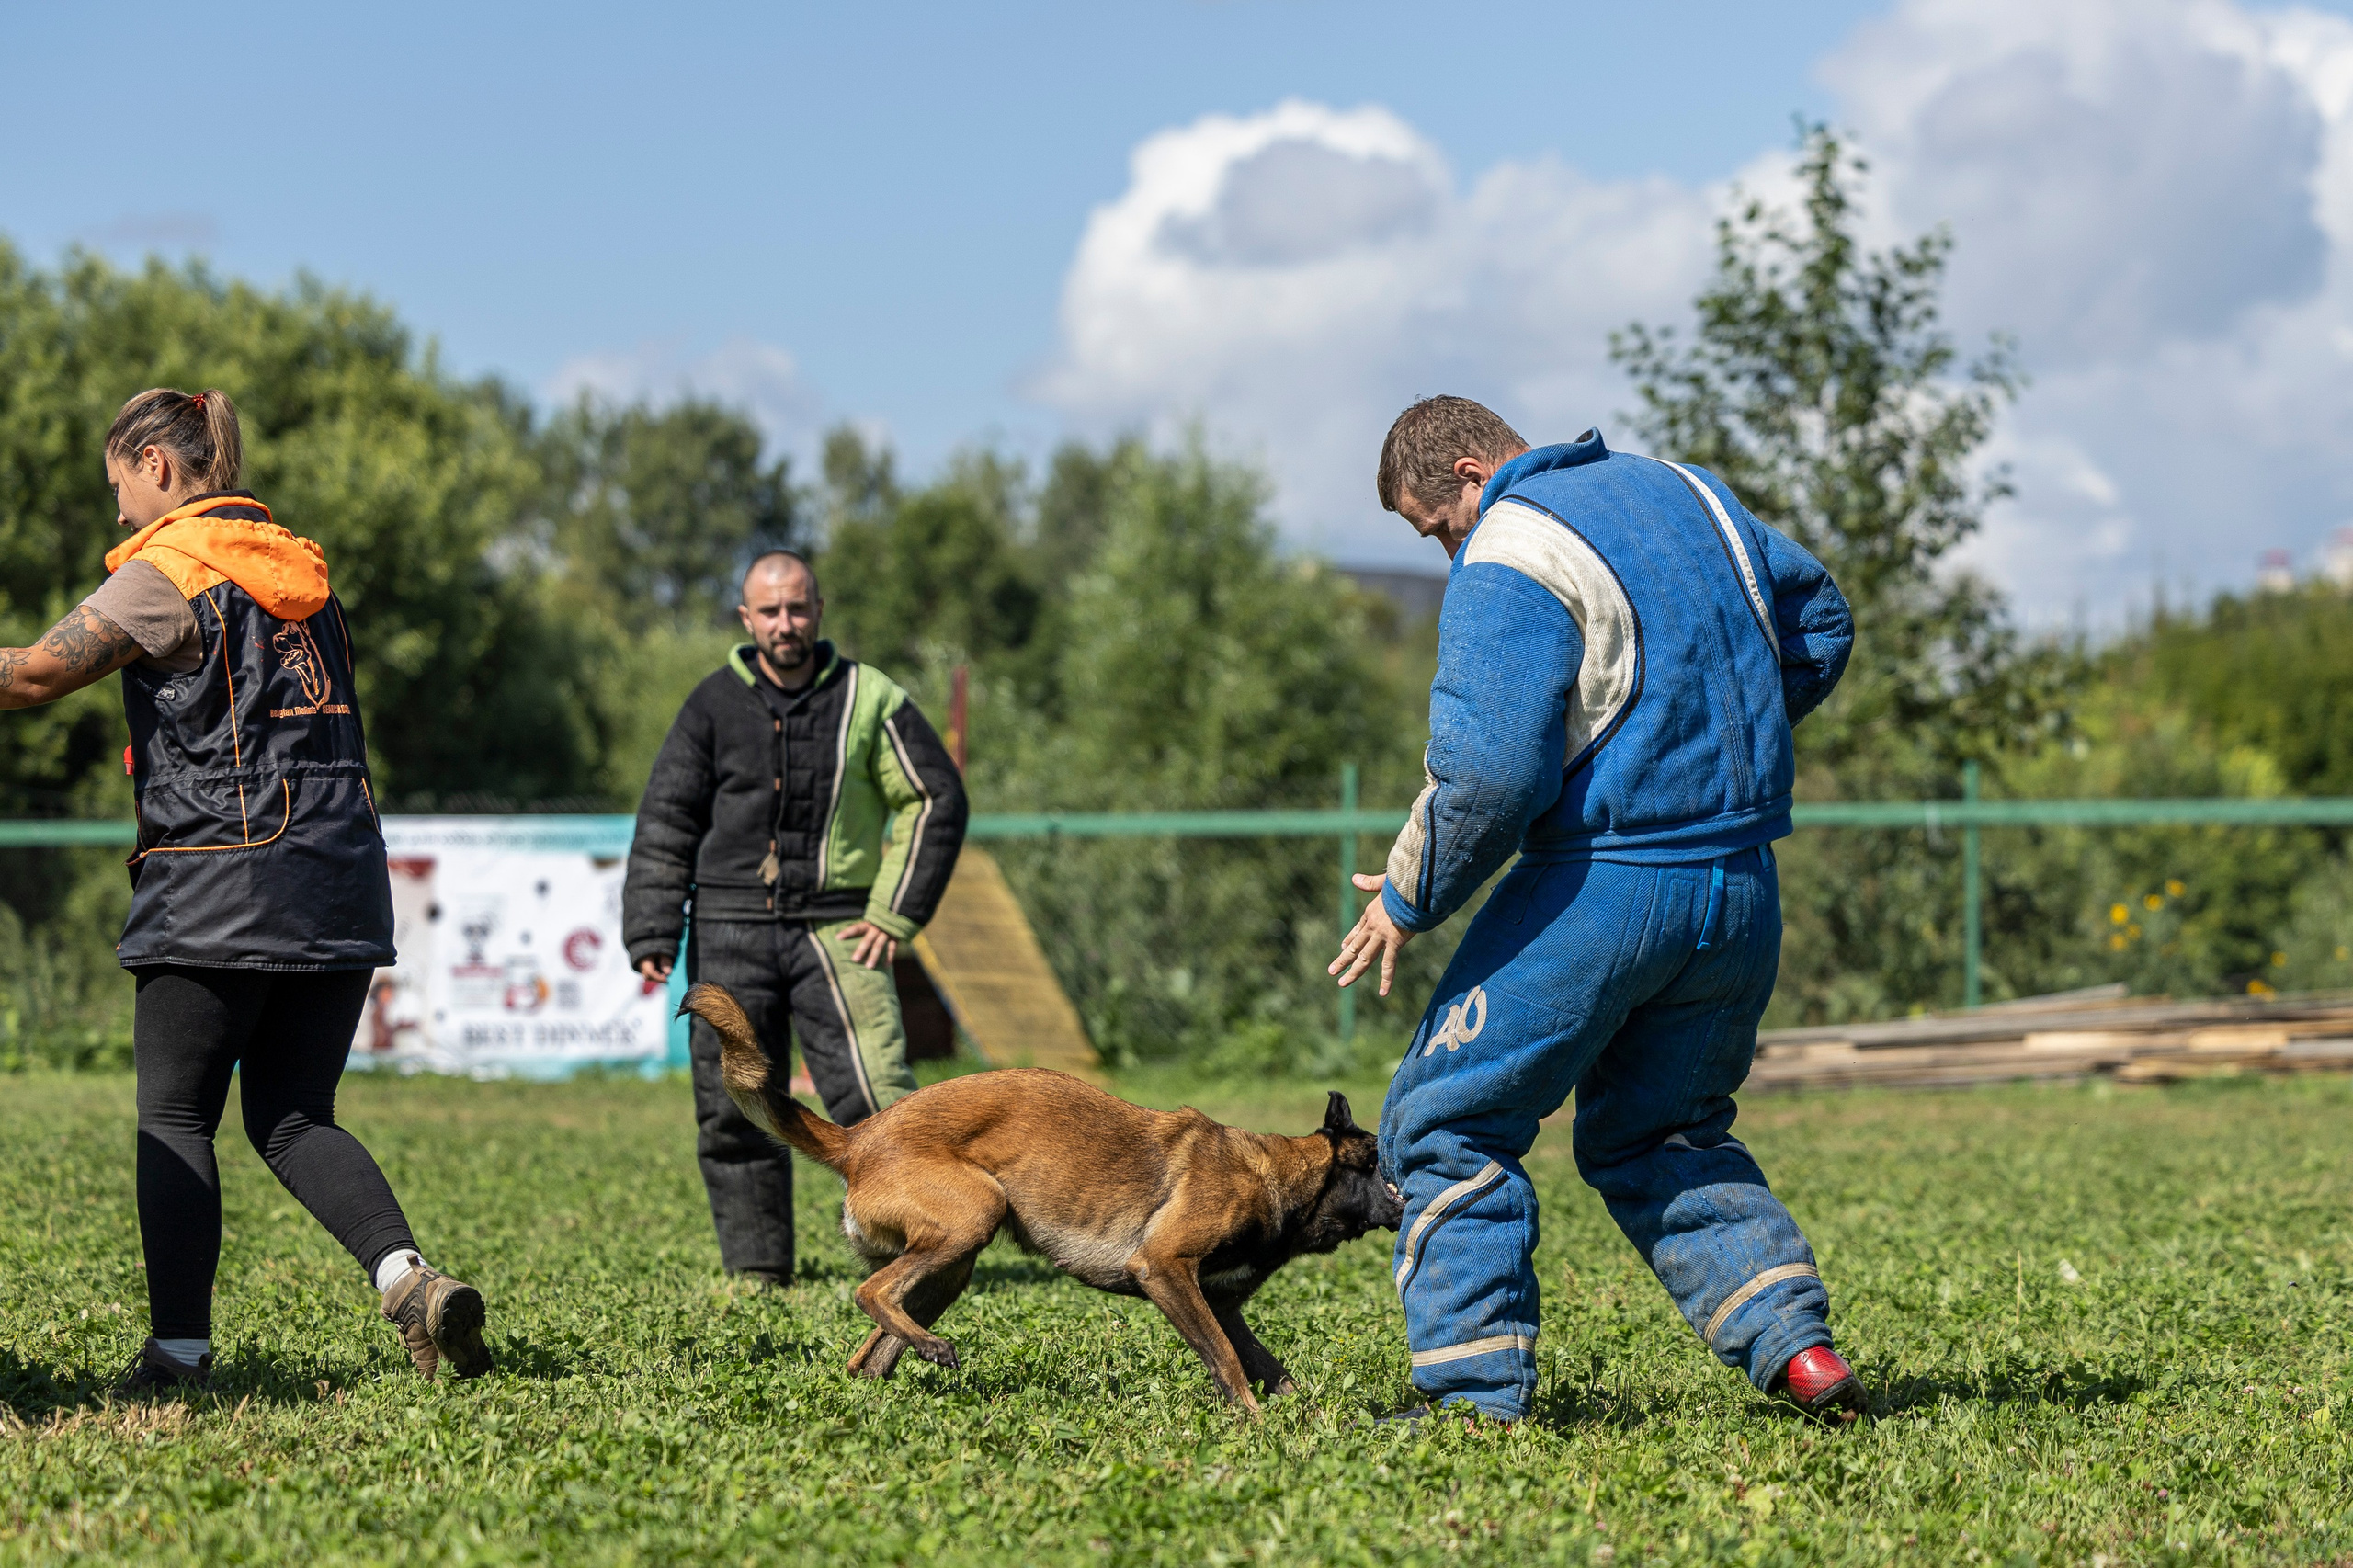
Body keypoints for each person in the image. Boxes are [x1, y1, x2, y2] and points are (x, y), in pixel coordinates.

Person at [1330, 396, 1864, 1425]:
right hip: (1741, 886)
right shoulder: (1688, 490)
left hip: (1606, 884)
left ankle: (1472, 1397)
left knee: (1443, 1120)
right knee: (1665, 1130)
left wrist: (1407, 895)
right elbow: (1820, 623)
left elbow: (1490, 772)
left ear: (1471, 472)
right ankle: (1798, 1351)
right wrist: (1714, 748)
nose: (1450, 552)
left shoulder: (1512, 543)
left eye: (1437, 528)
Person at [0, 388, 491, 1393]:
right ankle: (409, 1281)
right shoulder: (306, 576)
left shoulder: (168, 571)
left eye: (120, 485)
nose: (119, 511)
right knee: (295, 1113)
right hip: (340, 881)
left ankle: (179, 1353)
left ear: (158, 465)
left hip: (216, 882)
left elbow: (34, 676)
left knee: (175, 1116)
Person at [624, 550, 968, 1286]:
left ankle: (919, 1254)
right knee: (735, 1105)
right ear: (747, 618)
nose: (786, 623)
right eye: (771, 611)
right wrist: (653, 927)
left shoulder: (871, 698)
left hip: (838, 928)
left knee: (881, 1101)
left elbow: (934, 797)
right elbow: (667, 816)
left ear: (818, 610)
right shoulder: (711, 703)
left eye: (798, 608)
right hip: (728, 925)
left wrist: (894, 913)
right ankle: (758, 1271)